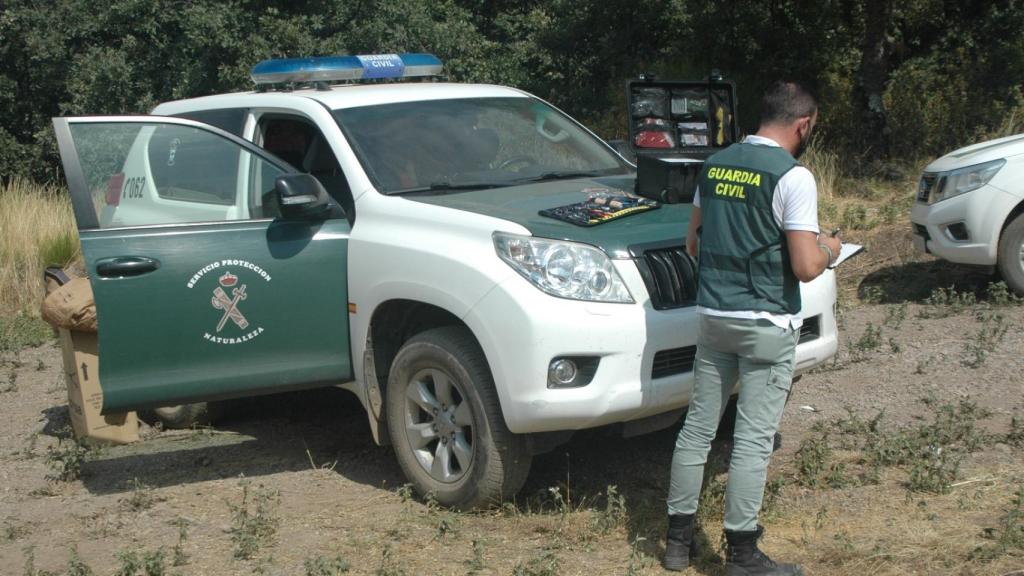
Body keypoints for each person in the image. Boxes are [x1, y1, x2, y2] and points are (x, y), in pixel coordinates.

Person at [663, 81, 841, 575]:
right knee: (752, 440)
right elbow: (805, 265)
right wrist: (831, 249)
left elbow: (694, 243)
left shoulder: (715, 165)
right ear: (803, 125)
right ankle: (742, 554)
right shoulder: (793, 176)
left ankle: (677, 544)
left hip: (714, 317)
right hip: (766, 323)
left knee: (697, 429)